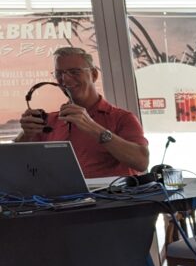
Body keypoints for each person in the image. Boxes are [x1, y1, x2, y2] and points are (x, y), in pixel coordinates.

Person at [16, 46, 149, 177]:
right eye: (59, 74)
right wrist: (25, 135)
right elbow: (14, 164)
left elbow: (142, 162)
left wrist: (92, 127)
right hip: (61, 191)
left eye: (75, 72)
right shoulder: (49, 121)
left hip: (110, 192)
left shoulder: (122, 118)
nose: (65, 79)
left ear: (94, 75)